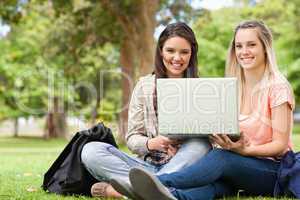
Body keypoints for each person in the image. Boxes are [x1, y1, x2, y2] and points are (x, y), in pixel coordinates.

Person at [127, 20, 295, 200]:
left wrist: (242, 151)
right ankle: (169, 196)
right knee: (210, 186)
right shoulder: (231, 87)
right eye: (239, 46)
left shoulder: (277, 87)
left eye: (251, 45)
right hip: (238, 168)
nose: (244, 51)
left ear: (265, 48)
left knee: (220, 158)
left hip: (272, 171)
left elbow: (280, 145)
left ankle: (156, 182)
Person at [80, 22, 211, 199]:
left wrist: (184, 147)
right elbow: (132, 137)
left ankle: (131, 190)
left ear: (192, 54)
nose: (177, 58)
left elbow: (213, 140)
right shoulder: (144, 85)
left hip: (184, 166)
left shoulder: (203, 88)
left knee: (200, 145)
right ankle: (152, 188)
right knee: (91, 150)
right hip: (146, 166)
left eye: (184, 52)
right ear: (161, 51)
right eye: (170, 50)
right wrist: (151, 143)